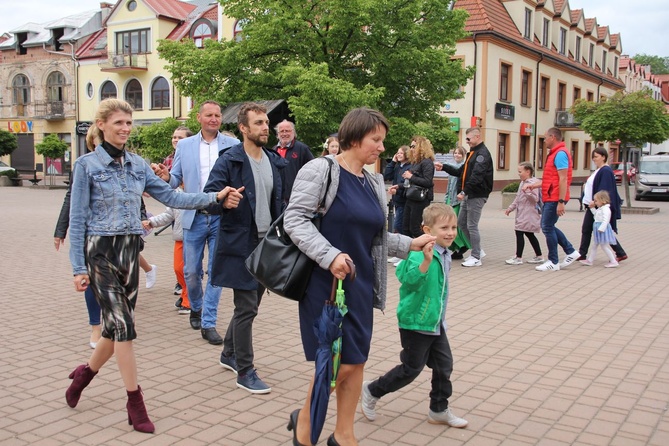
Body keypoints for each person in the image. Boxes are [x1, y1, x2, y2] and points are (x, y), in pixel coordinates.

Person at [65, 98, 233, 433]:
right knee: (124, 328)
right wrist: (77, 268)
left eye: (129, 123)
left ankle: (84, 374)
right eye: (118, 123)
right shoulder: (86, 166)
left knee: (116, 329)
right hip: (100, 252)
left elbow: (173, 197)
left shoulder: (138, 164)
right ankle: (135, 402)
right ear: (101, 125)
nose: (125, 129)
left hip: (130, 250)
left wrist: (212, 197)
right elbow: (78, 219)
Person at [283, 107, 435, 446]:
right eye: (375, 140)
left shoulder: (373, 182)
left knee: (355, 363)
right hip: (325, 285)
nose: (382, 148)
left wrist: (412, 244)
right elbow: (295, 221)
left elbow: (375, 238)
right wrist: (330, 255)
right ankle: (305, 430)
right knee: (335, 364)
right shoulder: (321, 170)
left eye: (382, 141)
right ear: (353, 138)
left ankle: (343, 433)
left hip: (361, 285)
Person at [360, 203, 468, 429]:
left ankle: (438, 409)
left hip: (435, 323)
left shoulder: (446, 253)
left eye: (453, 227)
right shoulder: (420, 253)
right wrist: (427, 262)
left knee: (444, 366)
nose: (450, 233)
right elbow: (407, 279)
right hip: (415, 323)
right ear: (427, 230)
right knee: (410, 369)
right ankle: (372, 390)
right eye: (444, 228)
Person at [204, 102, 287, 394]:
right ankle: (245, 370)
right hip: (241, 243)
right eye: (259, 123)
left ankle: (228, 352)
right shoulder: (230, 161)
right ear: (243, 128)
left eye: (266, 123)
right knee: (247, 307)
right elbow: (208, 198)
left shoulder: (275, 161)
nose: (266, 128)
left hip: (268, 243)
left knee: (251, 307)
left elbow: (282, 202)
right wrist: (223, 200)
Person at [152, 101, 240, 344]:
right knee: (191, 271)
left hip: (222, 217)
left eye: (217, 115)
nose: (214, 119)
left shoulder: (233, 145)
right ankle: (196, 307)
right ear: (199, 118)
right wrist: (165, 176)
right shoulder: (186, 145)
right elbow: (175, 180)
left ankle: (208, 322)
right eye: (209, 115)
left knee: (215, 272)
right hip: (194, 216)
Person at [54, 171, 102, 349]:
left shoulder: (125, 162)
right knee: (91, 280)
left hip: (118, 236)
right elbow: (71, 199)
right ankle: (96, 326)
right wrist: (61, 229)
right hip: (91, 232)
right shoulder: (84, 167)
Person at [523, 127, 580, 271]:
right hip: (552, 196)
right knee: (549, 226)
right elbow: (551, 178)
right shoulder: (555, 153)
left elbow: (563, 179)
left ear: (552, 137)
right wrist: (535, 185)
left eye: (545, 137)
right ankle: (570, 251)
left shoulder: (560, 154)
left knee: (547, 227)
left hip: (555, 197)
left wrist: (561, 202)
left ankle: (554, 261)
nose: (544, 140)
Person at [435, 127, 493, 267]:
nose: (467, 142)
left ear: (477, 137)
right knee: (461, 223)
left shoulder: (482, 154)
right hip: (469, 194)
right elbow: (461, 172)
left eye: (468, 139)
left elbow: (477, 176)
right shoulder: (472, 153)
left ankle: (476, 256)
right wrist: (443, 167)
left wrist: (464, 191)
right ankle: (477, 250)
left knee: (472, 225)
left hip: (476, 194)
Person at [143, 187, 191, 314]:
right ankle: (185, 295)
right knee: (178, 268)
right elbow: (169, 215)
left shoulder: (199, 189)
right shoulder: (176, 193)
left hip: (195, 237)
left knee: (191, 271)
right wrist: (151, 222)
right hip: (180, 237)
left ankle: (188, 301)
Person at [576, 147, 627, 262]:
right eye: (593, 157)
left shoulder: (605, 171)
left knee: (594, 229)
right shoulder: (599, 170)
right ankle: (583, 253)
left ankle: (583, 253)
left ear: (603, 157)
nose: (594, 159)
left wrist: (595, 202)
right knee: (588, 229)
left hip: (597, 206)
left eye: (596, 157)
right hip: (593, 205)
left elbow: (604, 189)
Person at [504, 162, 544, 265]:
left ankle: (518, 257)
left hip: (529, 214)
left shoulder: (533, 184)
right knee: (529, 234)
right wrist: (510, 208)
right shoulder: (523, 182)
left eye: (520, 171)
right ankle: (539, 256)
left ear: (528, 171)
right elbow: (518, 198)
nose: (519, 174)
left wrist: (527, 191)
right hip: (522, 213)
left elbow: (535, 199)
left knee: (519, 232)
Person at [272, 119, 314, 202]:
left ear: (293, 132)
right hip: (278, 197)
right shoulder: (273, 150)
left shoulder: (302, 149)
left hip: (297, 197)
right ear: (278, 134)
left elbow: (313, 170)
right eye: (282, 131)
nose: (284, 134)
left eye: (287, 131)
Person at [402, 136, 435, 238]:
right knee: (405, 228)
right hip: (411, 196)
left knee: (415, 229)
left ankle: (429, 246)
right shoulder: (416, 162)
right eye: (410, 146)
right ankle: (411, 251)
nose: (411, 149)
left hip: (421, 198)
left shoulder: (427, 162)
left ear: (421, 147)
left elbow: (428, 182)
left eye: (413, 146)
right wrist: (399, 186)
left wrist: (411, 176)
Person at [442, 145, 471, 260]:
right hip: (450, 199)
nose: (457, 155)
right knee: (450, 223)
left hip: (458, 200)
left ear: (463, 155)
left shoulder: (463, 168)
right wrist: (446, 198)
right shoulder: (451, 168)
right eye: (455, 153)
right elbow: (449, 185)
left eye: (459, 153)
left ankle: (464, 245)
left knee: (457, 224)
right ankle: (456, 249)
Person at [579, 191, 619, 268]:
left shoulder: (605, 209)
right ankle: (590, 260)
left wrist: (601, 229)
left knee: (604, 246)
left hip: (601, 230)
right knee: (595, 245)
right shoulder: (601, 208)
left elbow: (606, 220)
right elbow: (596, 215)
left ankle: (613, 261)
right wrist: (592, 208)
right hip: (598, 228)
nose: (595, 202)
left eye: (596, 200)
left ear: (602, 200)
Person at [384, 144, 411, 240]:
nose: (398, 155)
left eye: (401, 153)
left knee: (398, 225)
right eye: (398, 153)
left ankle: (407, 243)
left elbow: (407, 184)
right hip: (396, 200)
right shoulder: (397, 166)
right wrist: (392, 162)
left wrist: (397, 191)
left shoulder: (409, 167)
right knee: (400, 225)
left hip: (404, 200)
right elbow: (387, 175)